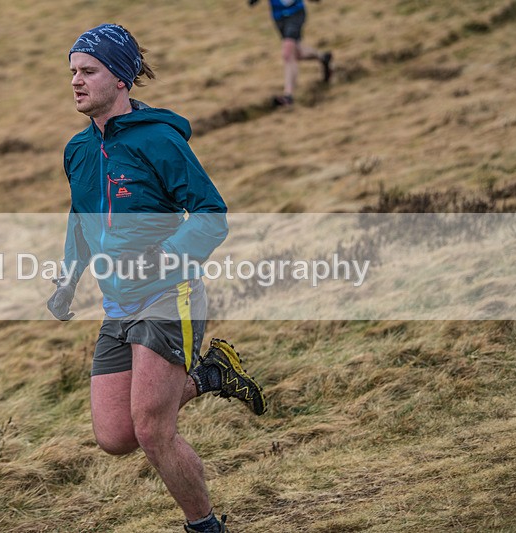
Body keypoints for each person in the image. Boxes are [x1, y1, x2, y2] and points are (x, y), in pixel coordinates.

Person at [47, 23, 267, 533]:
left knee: (151, 429)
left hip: (170, 293)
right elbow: (81, 220)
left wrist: (164, 257)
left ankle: (204, 526)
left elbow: (211, 215)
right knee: (115, 436)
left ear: (121, 79)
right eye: (73, 71)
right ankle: (211, 375)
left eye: (88, 71)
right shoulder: (77, 151)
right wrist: (67, 279)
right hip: (117, 305)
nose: (76, 81)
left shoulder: (160, 141)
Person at [249, 0, 333, 106]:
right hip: (279, 17)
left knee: (288, 54)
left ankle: (288, 96)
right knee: (297, 53)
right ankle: (323, 57)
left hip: (295, 13)